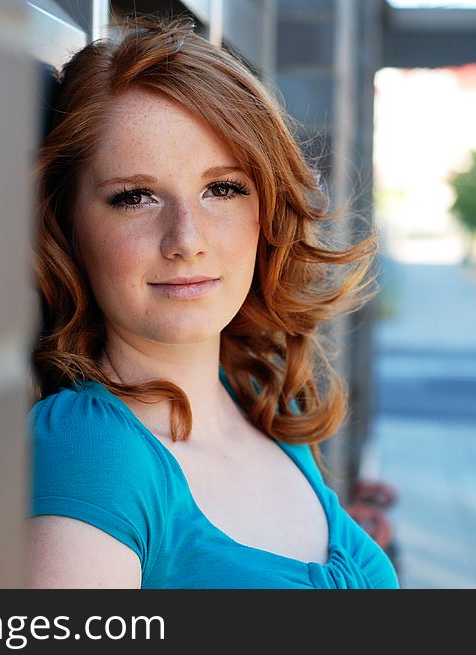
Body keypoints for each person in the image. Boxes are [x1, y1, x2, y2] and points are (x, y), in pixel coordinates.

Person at [26, 18, 399, 589]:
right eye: (134, 197)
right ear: (68, 224)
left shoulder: (253, 400)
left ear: (265, 210)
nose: (187, 239)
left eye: (222, 188)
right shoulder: (93, 456)